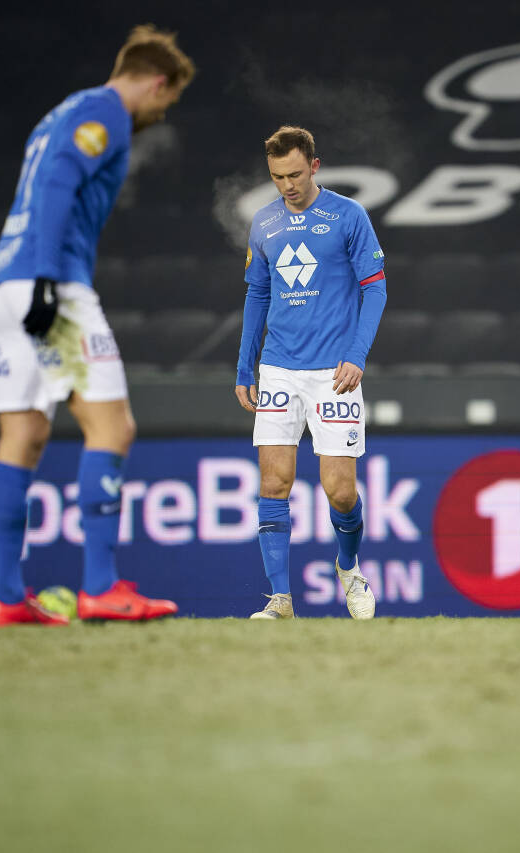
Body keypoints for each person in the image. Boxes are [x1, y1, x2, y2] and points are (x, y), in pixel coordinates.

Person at [0, 25, 195, 626]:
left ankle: (6, 598)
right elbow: (57, 184)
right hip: (51, 280)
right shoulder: (106, 113)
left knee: (22, 434)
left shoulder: (63, 111)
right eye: (167, 99)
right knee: (113, 426)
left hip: (4, 278)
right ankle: (100, 586)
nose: (162, 111)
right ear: (157, 82)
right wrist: (50, 278)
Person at [235, 126, 388, 620]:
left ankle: (349, 568)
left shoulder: (348, 215)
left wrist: (357, 354)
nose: (287, 185)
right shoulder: (263, 224)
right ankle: (280, 600)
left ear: (315, 167)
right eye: (278, 177)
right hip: (278, 367)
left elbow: (376, 288)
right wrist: (245, 366)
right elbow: (257, 295)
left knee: (340, 490)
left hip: (334, 373)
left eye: (295, 174)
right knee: (273, 483)